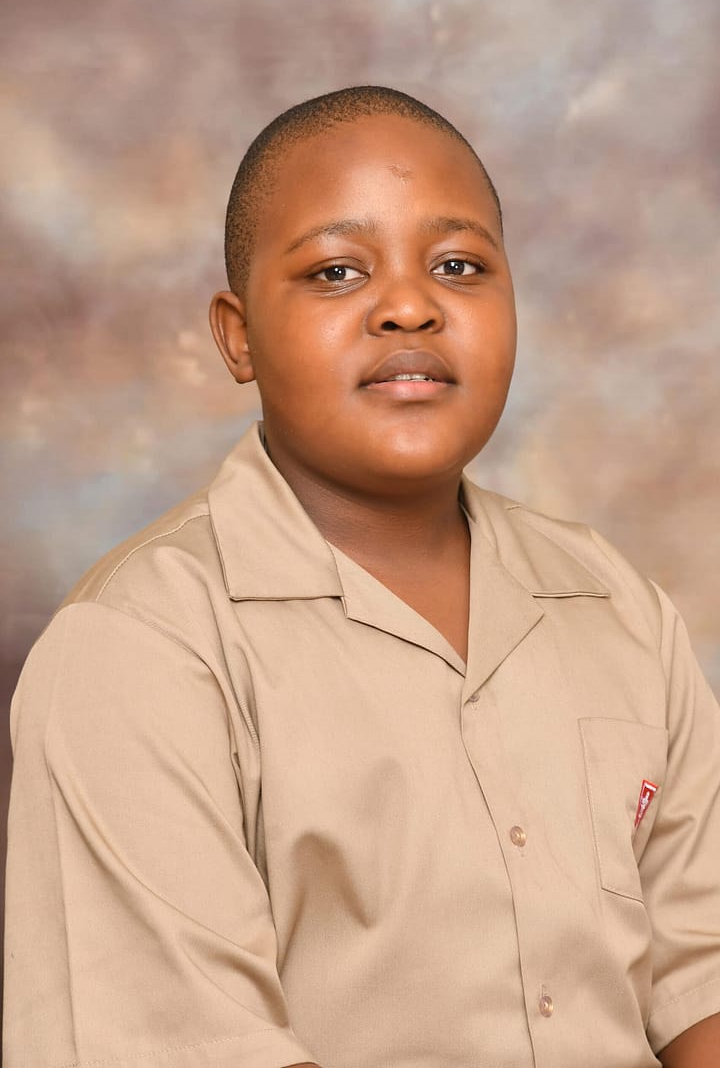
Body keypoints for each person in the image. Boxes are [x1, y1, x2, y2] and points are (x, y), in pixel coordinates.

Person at [4, 86, 720, 1068]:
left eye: (458, 266)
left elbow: (700, 980)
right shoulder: (139, 648)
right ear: (238, 335)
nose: (410, 306)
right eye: (336, 271)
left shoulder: (614, 603)